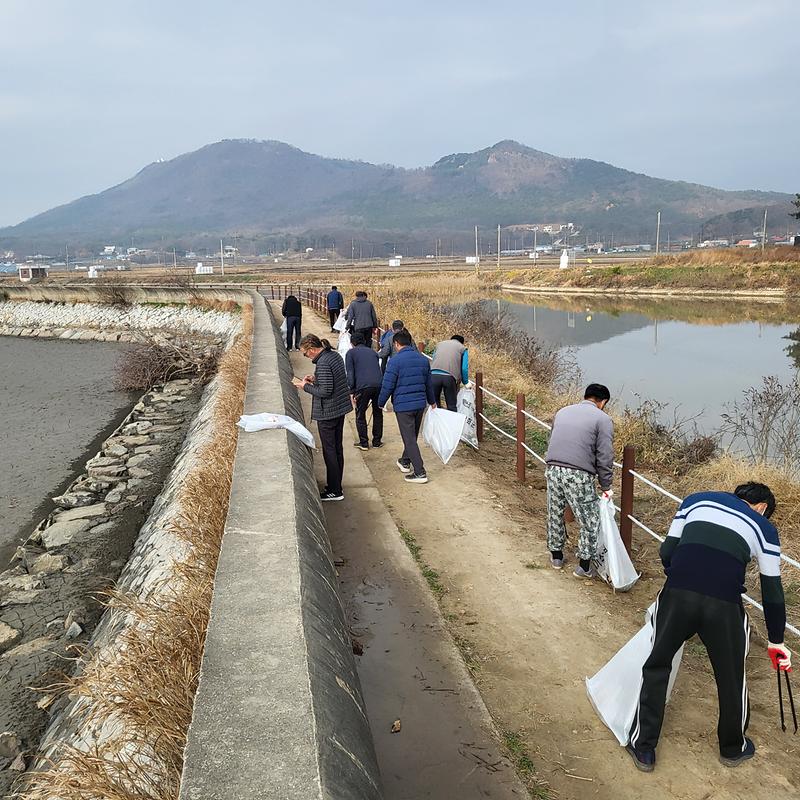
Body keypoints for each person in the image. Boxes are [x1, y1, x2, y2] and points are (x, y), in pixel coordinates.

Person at [626, 482, 790, 773]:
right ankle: (732, 748)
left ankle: (644, 749)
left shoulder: (694, 500)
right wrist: (776, 640)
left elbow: (667, 552)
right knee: (731, 677)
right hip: (724, 605)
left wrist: (684, 579)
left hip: (677, 594)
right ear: (763, 507)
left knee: (657, 665)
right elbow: (773, 592)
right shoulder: (764, 528)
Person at [544, 383, 613, 577]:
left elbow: (552, 438)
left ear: (586, 396)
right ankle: (583, 566)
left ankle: (556, 556)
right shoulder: (603, 419)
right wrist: (606, 485)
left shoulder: (563, 411)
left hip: (553, 468)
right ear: (603, 402)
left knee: (555, 511)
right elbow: (605, 455)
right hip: (578, 474)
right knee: (589, 519)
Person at [292, 334, 352, 501]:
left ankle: (334, 490)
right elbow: (333, 380)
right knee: (337, 449)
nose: (306, 356)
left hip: (329, 413)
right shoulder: (334, 355)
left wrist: (305, 386)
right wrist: (315, 379)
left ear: (312, 349)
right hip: (339, 409)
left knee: (330, 451)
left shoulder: (324, 362)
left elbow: (325, 392)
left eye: (305, 353)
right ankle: (336, 485)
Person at [378, 330, 435, 484]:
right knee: (412, 436)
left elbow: (387, 385)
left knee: (409, 438)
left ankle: (419, 472)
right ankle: (405, 461)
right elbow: (429, 383)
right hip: (420, 404)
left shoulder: (395, 362)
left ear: (396, 344)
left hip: (403, 406)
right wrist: (432, 401)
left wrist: (380, 402)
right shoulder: (423, 360)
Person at [345, 332, 384, 450]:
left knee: (360, 414)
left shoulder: (350, 353)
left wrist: (351, 391)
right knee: (377, 413)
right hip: (378, 385)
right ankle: (377, 441)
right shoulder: (373, 352)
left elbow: (350, 373)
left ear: (352, 343)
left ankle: (364, 443)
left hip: (362, 387)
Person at [430, 335, 469, 410]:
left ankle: (436, 421)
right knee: (451, 404)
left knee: (435, 404)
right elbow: (464, 368)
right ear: (462, 342)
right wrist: (465, 382)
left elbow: (434, 358)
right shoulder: (462, 348)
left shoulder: (439, 345)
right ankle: (451, 421)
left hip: (433, 375)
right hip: (449, 377)